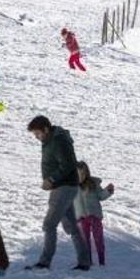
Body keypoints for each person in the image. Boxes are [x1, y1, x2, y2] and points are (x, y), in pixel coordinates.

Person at [25, 115, 93, 270]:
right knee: (71, 227)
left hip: (63, 187)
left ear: (46, 129)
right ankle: (84, 262)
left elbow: (68, 165)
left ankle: (44, 262)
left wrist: (51, 180)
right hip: (63, 187)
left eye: (38, 134)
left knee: (49, 224)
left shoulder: (58, 141)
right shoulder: (51, 140)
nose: (36, 137)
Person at [73, 161, 115, 266]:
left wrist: (108, 191)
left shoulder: (93, 183)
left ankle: (102, 261)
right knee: (85, 241)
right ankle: (89, 261)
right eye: (79, 173)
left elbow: (101, 196)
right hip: (81, 217)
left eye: (83, 173)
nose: (81, 175)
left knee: (98, 239)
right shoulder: (72, 186)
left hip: (94, 215)